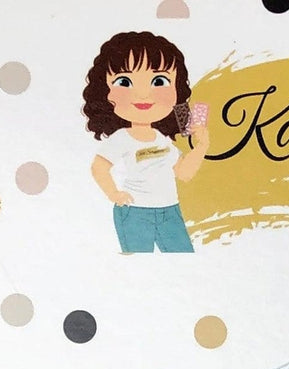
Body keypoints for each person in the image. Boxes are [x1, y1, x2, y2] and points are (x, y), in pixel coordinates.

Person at [82, 31, 209, 253]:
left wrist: (202, 146)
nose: (143, 94)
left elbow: (183, 173)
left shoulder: (162, 138)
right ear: (105, 92)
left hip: (170, 211)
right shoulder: (122, 137)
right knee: (137, 264)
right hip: (135, 212)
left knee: (183, 257)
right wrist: (114, 194)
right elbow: (99, 167)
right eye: (124, 82)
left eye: (159, 81)